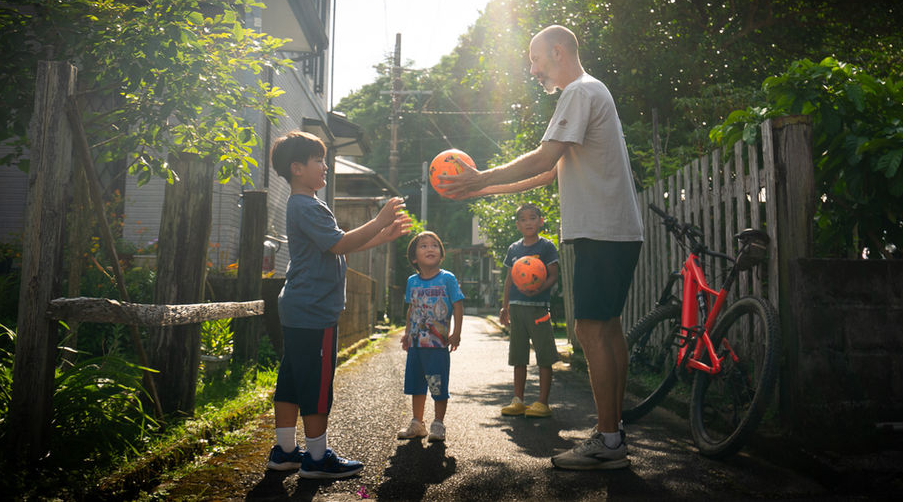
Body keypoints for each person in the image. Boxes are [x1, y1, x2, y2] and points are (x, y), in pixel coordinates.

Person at [441, 25, 644, 470]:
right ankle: (613, 434)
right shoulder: (593, 93)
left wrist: (480, 176)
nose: (532, 69)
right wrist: (483, 191)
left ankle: (609, 442)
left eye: (534, 59)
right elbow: (547, 173)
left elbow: (541, 157)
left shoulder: (578, 91)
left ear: (557, 52)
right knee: (607, 330)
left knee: (590, 331)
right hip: (617, 232)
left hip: (601, 232)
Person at [266, 130, 411, 479]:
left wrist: (382, 235)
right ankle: (316, 457)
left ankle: (285, 452)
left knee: (291, 379)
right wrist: (379, 220)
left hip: (299, 306)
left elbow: (338, 246)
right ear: (297, 168)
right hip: (314, 310)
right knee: (316, 384)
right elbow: (339, 244)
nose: (326, 166)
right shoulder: (308, 206)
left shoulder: (303, 205)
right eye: (319, 160)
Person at [396, 231, 466, 442]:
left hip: (437, 345)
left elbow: (458, 305)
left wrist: (457, 332)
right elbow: (411, 309)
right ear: (414, 257)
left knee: (438, 385)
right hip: (416, 345)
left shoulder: (447, 278)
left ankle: (438, 424)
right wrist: (407, 332)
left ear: (441, 254)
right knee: (416, 385)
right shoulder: (412, 281)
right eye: (424, 246)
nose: (430, 249)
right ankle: (417, 423)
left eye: (434, 245)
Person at [499, 203, 560, 419]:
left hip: (538, 308)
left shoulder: (546, 247)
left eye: (532, 218)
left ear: (540, 221)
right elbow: (509, 280)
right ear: (518, 225)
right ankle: (518, 400)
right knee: (518, 355)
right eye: (523, 219)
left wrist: (538, 289)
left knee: (544, 354)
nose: (528, 222)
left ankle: (542, 402)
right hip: (517, 308)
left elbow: (553, 274)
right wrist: (505, 306)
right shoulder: (514, 249)